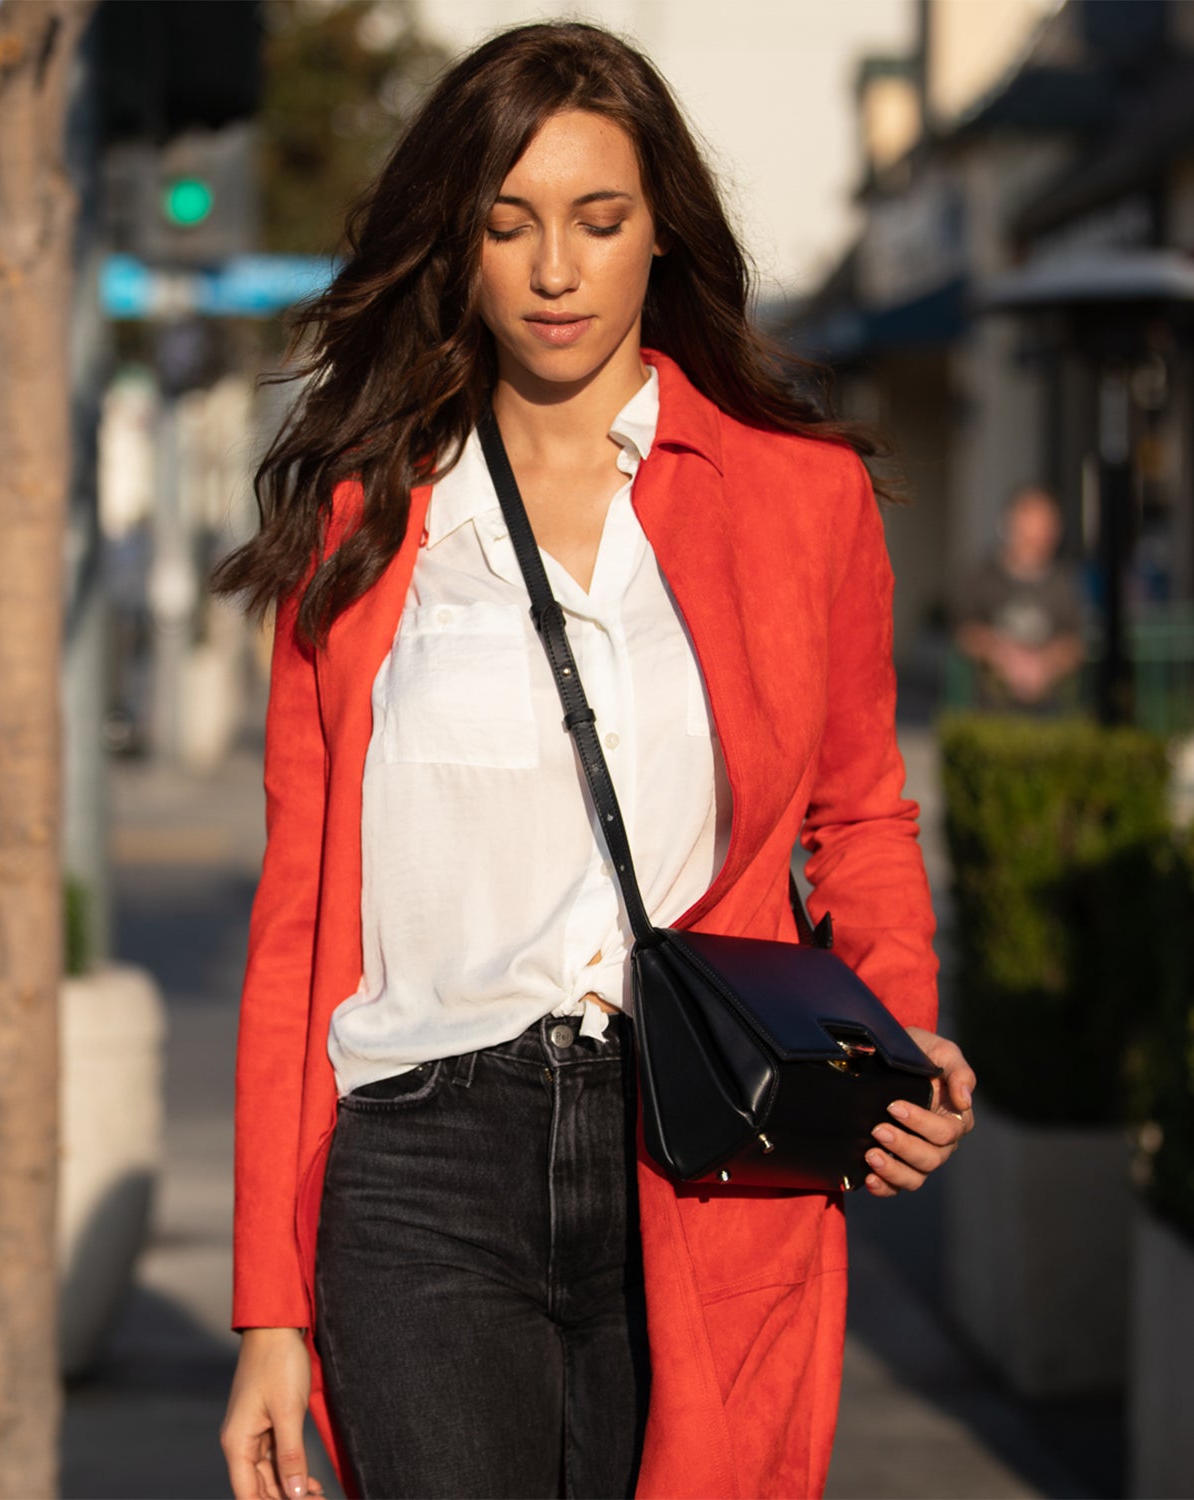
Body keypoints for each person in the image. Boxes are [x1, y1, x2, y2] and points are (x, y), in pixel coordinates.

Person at [216, 22, 975, 1500]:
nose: (555, 271)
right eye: (508, 225)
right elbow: (298, 925)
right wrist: (268, 1310)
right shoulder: (371, 528)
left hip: (701, 1151)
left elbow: (862, 812)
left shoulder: (798, 497)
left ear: (659, 235)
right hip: (418, 1168)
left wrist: (902, 1036)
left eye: (598, 220)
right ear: (458, 247)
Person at [954, 485, 1084, 711]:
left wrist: (1045, 664)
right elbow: (965, 631)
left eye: (1047, 524)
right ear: (1012, 523)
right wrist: (1004, 656)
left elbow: (1075, 641)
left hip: (1050, 712)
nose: (1039, 533)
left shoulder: (1063, 583)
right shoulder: (985, 578)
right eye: (1031, 521)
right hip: (992, 710)